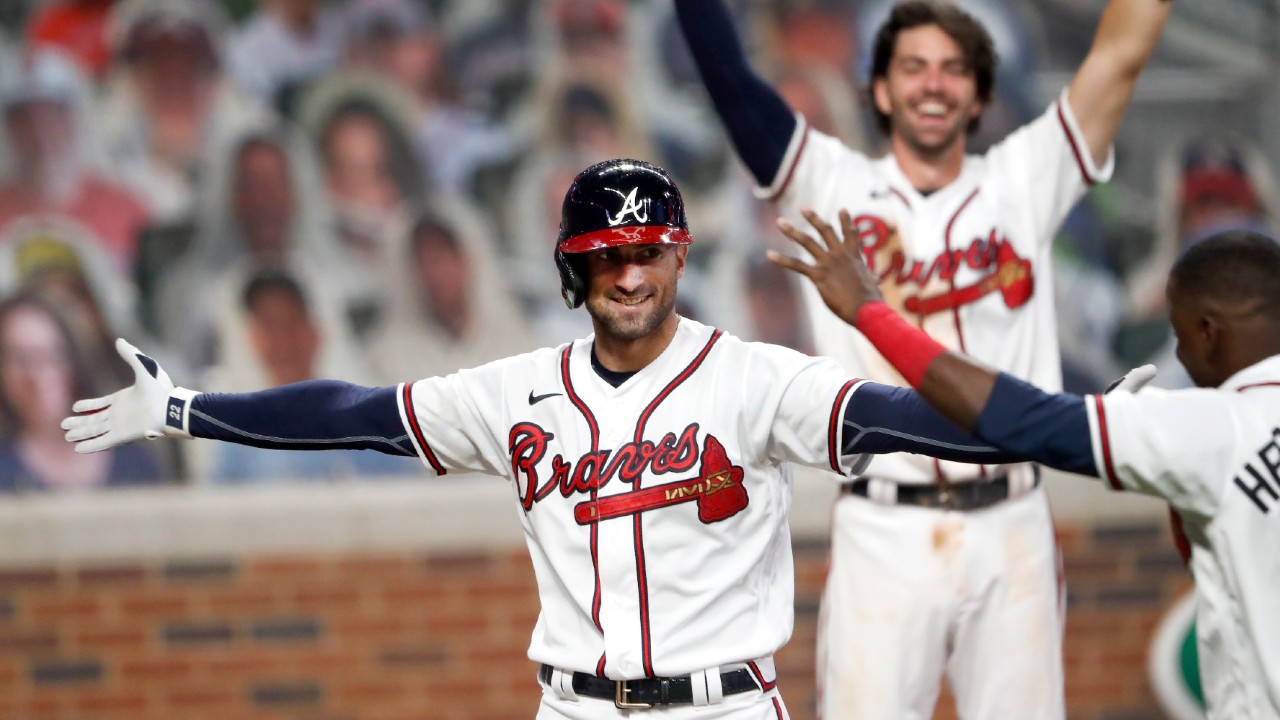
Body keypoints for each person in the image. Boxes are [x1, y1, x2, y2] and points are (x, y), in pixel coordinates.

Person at [64, 158, 1025, 719]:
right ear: (574, 270)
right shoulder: (518, 391)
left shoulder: (755, 377)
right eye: (604, 256)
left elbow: (906, 416)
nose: (629, 272)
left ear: (679, 255)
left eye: (647, 251)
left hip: (724, 705)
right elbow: (353, 411)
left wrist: (1075, 426)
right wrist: (185, 407)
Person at [675, 0, 1171, 716]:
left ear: (980, 92)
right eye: (912, 67)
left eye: (952, 68)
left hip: (1013, 521)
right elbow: (729, 78)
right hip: (885, 529)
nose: (933, 84)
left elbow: (1121, 53)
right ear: (878, 90)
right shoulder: (829, 181)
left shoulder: (1024, 176)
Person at [769, 210, 1280, 720]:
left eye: (1180, 334)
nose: (1181, 355)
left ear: (1209, 332)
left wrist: (870, 313)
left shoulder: (1209, 427)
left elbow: (1018, 419)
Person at [0, 291, 161, 492]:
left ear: (74, 360)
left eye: (50, 355)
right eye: (20, 360)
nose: (36, 375)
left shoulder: (133, 461)